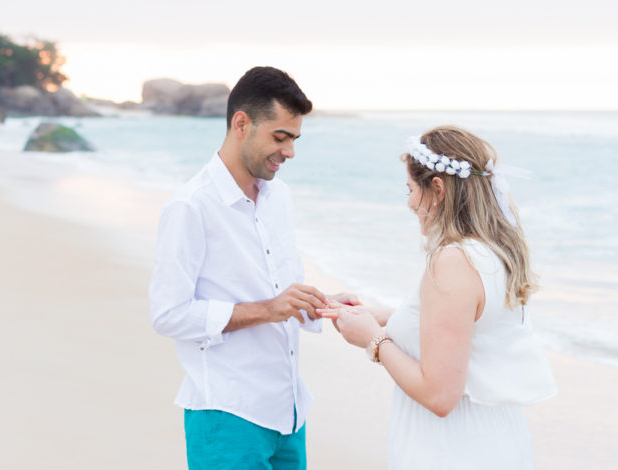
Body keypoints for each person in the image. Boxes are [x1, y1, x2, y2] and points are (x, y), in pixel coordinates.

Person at [149, 66, 356, 469]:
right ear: (241, 124)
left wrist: (321, 303)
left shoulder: (280, 197)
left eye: (294, 139)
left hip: (289, 411)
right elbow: (167, 314)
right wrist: (268, 309)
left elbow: (280, 290)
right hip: (228, 416)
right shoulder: (190, 207)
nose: (289, 152)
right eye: (280, 137)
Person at [318, 126, 558, 469]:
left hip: (454, 450)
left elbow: (439, 395)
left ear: (438, 189)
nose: (410, 202)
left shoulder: (453, 261)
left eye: (411, 189)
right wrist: (373, 314)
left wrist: (372, 338)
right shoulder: (495, 252)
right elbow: (458, 322)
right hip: (496, 441)